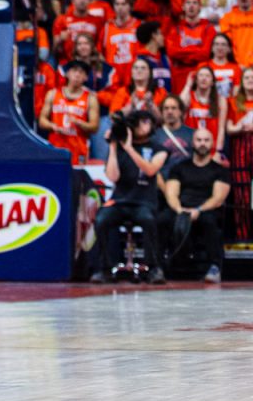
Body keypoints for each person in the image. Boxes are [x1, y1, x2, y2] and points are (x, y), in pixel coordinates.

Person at [92, 110, 167, 283]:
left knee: (148, 220)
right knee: (101, 219)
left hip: (144, 201)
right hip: (120, 200)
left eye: (147, 122)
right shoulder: (119, 147)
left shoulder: (158, 148)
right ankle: (104, 268)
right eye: (140, 122)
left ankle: (153, 268)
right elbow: (112, 177)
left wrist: (130, 149)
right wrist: (112, 146)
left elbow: (150, 170)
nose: (143, 125)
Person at [160, 128, 230, 283]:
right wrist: (180, 210)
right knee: (162, 219)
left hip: (206, 209)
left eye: (206, 140)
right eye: (199, 140)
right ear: (193, 142)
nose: (202, 144)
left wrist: (198, 210)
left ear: (212, 143)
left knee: (210, 222)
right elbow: (171, 193)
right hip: (180, 208)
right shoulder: (179, 167)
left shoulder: (219, 170)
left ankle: (214, 266)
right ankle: (157, 267)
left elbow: (218, 198)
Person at [39, 60, 100, 164]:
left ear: (85, 77)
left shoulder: (90, 99)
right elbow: (42, 120)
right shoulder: (53, 94)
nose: (77, 75)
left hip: (78, 149)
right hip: (56, 147)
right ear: (67, 73)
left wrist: (79, 122)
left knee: (77, 179)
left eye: (81, 73)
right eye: (74, 71)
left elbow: (94, 127)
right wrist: (53, 126)